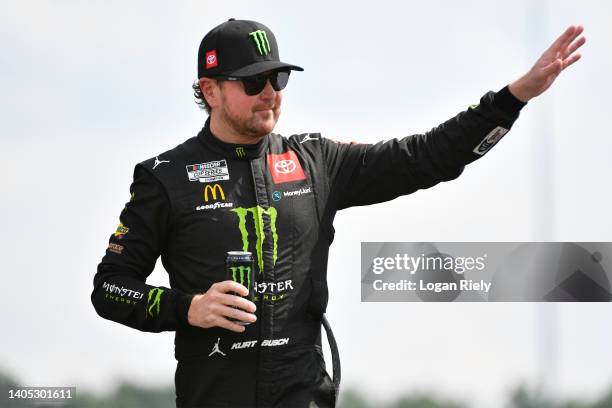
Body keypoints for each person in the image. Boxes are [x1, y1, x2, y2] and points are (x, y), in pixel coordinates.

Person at [91, 18, 585, 408]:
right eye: (252, 81)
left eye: (277, 77)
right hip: (213, 392)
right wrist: (188, 308)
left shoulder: (316, 161)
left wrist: (511, 99)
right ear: (212, 90)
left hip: (302, 390)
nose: (270, 91)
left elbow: (428, 156)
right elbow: (110, 289)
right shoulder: (165, 177)